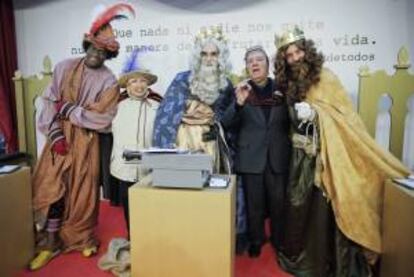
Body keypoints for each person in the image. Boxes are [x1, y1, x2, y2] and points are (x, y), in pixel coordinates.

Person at [273, 26, 410, 276]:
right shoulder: (288, 82)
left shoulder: (326, 77)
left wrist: (316, 114)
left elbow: (345, 117)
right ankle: (305, 258)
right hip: (300, 159)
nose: (294, 59)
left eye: (297, 52)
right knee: (300, 207)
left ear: (306, 51)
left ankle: (328, 262)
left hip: (328, 157)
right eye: (288, 55)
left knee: (327, 209)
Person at [29, 3, 135, 270]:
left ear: (107, 55)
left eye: (102, 52)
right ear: (86, 45)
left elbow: (103, 117)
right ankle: (51, 240)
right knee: (53, 188)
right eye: (93, 49)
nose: (96, 55)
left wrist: (70, 109)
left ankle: (78, 236)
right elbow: (49, 100)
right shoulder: (64, 67)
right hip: (58, 139)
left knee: (83, 193)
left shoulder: (109, 81)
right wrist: (55, 133)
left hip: (87, 143)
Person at [152, 26, 249, 253]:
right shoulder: (182, 79)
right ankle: (182, 239)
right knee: (184, 195)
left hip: (212, 147)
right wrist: (167, 147)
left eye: (213, 54)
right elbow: (165, 115)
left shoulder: (226, 85)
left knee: (212, 194)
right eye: (204, 54)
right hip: (184, 146)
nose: (208, 58)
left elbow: (227, 119)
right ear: (197, 56)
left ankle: (211, 239)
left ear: (220, 56)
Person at [221, 46, 291, 258]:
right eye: (250, 60)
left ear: (267, 65)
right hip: (251, 157)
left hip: (278, 156)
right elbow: (225, 123)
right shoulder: (241, 91)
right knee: (254, 205)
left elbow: (292, 120)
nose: (255, 63)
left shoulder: (282, 89)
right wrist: (239, 105)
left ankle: (279, 241)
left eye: (259, 59)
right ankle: (255, 240)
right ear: (246, 67)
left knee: (279, 204)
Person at [110, 50, 163, 237]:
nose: (138, 85)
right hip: (125, 168)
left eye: (142, 80)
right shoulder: (115, 106)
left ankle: (152, 241)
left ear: (147, 83)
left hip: (150, 168)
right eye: (133, 81)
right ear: (127, 85)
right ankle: (133, 238)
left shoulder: (158, 106)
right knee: (130, 208)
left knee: (152, 209)